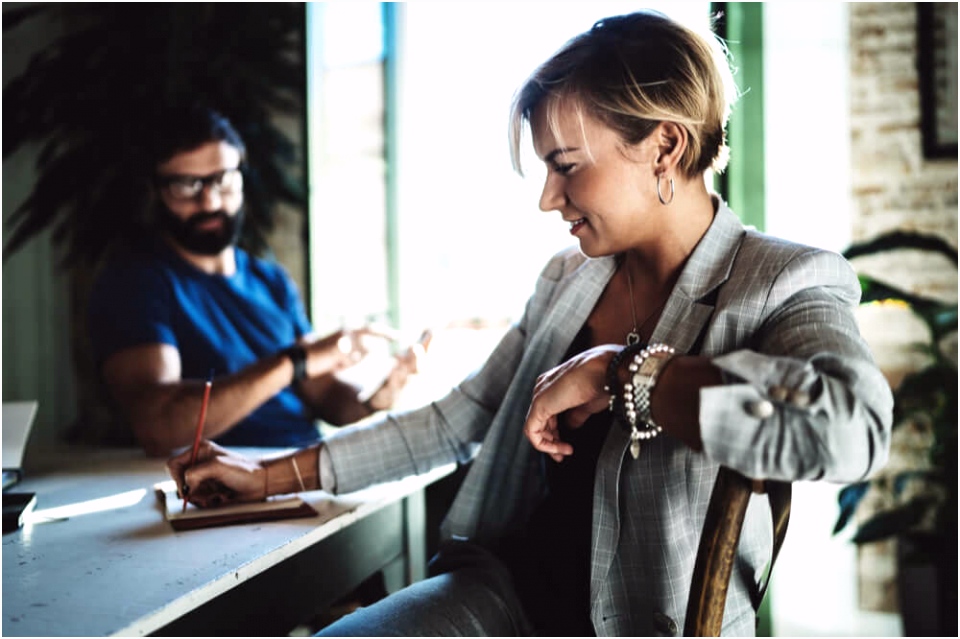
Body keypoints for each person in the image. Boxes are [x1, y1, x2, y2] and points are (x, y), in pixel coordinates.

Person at [167, 11, 893, 636]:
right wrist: (263, 476)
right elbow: (462, 418)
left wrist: (623, 373)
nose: (548, 197)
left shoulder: (785, 279)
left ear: (665, 147)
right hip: (503, 593)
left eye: (567, 165)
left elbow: (851, 428)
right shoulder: (567, 276)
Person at [88, 106, 421, 457]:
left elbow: (322, 394)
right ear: (156, 192)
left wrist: (376, 398)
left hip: (304, 466)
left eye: (222, 180)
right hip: (220, 483)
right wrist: (293, 361)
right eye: (186, 186)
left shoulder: (271, 279)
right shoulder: (135, 283)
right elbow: (159, 425)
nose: (210, 201)